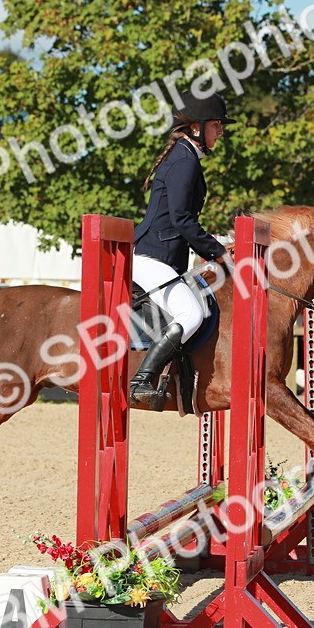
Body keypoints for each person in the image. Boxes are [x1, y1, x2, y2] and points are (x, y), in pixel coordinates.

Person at [128, 91, 233, 409]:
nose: (221, 131)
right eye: (217, 125)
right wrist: (218, 252)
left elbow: (182, 221)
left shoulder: (185, 158)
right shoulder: (184, 161)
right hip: (151, 257)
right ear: (197, 128)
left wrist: (215, 242)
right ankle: (142, 380)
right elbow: (182, 220)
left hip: (163, 257)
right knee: (192, 313)